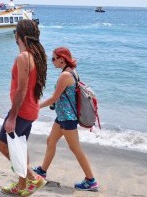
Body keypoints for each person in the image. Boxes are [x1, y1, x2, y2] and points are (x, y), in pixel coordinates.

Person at [33, 47, 99, 192]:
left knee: (75, 149)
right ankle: (42, 171)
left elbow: (54, 97)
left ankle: (91, 180)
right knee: (51, 141)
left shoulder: (65, 76)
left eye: (53, 59)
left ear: (62, 59)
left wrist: (36, 107)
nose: (52, 62)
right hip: (62, 116)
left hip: (68, 119)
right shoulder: (72, 71)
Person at [0, 19, 48, 196]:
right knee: (19, 147)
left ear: (19, 35)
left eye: (15, 32)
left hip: (22, 111)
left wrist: (12, 117)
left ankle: (33, 177)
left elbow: (22, 89)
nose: (14, 36)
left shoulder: (23, 57)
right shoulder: (35, 55)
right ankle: (22, 186)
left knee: (3, 145)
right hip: (31, 109)